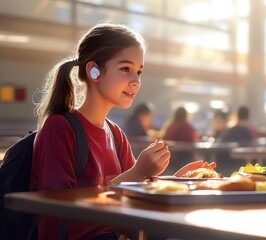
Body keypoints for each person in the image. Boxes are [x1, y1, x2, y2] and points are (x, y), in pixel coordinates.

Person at [31, 23, 171, 239]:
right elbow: (58, 211)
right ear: (93, 71)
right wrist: (139, 171)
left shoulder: (116, 135)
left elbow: (134, 198)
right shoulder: (60, 129)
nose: (135, 81)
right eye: (125, 69)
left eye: (139, 72)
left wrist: (178, 181)